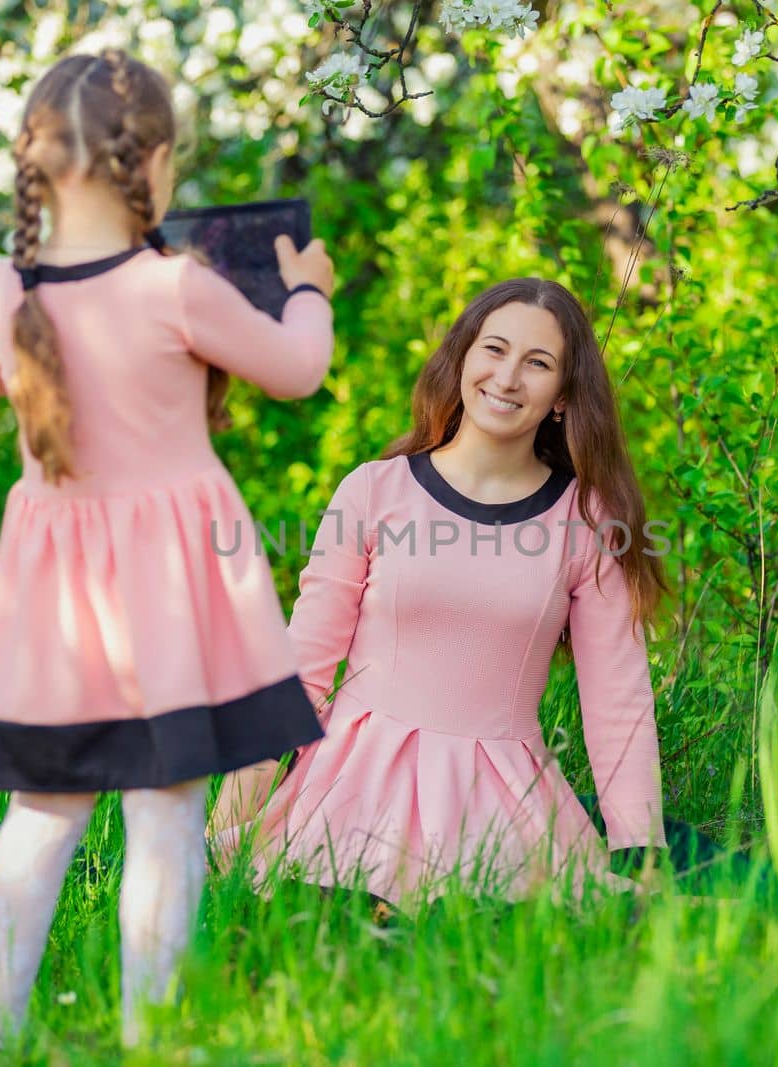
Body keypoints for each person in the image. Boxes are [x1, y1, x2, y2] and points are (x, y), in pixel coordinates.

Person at [0, 49, 336, 1048]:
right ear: (155, 166)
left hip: (54, 604)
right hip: (169, 588)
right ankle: (152, 1033)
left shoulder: (7, 287)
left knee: (41, 816)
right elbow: (298, 370)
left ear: (34, 169)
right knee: (166, 820)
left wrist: (13, 280)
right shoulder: (176, 288)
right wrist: (306, 288)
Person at [208, 277, 669, 906]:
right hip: (352, 791)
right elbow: (302, 673)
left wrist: (640, 852)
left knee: (500, 930)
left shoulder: (587, 520)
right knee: (336, 929)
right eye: (494, 349)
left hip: (500, 802)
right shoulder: (374, 491)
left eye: (538, 364)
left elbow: (619, 699)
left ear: (563, 396)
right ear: (462, 360)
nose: (507, 377)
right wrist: (227, 824)